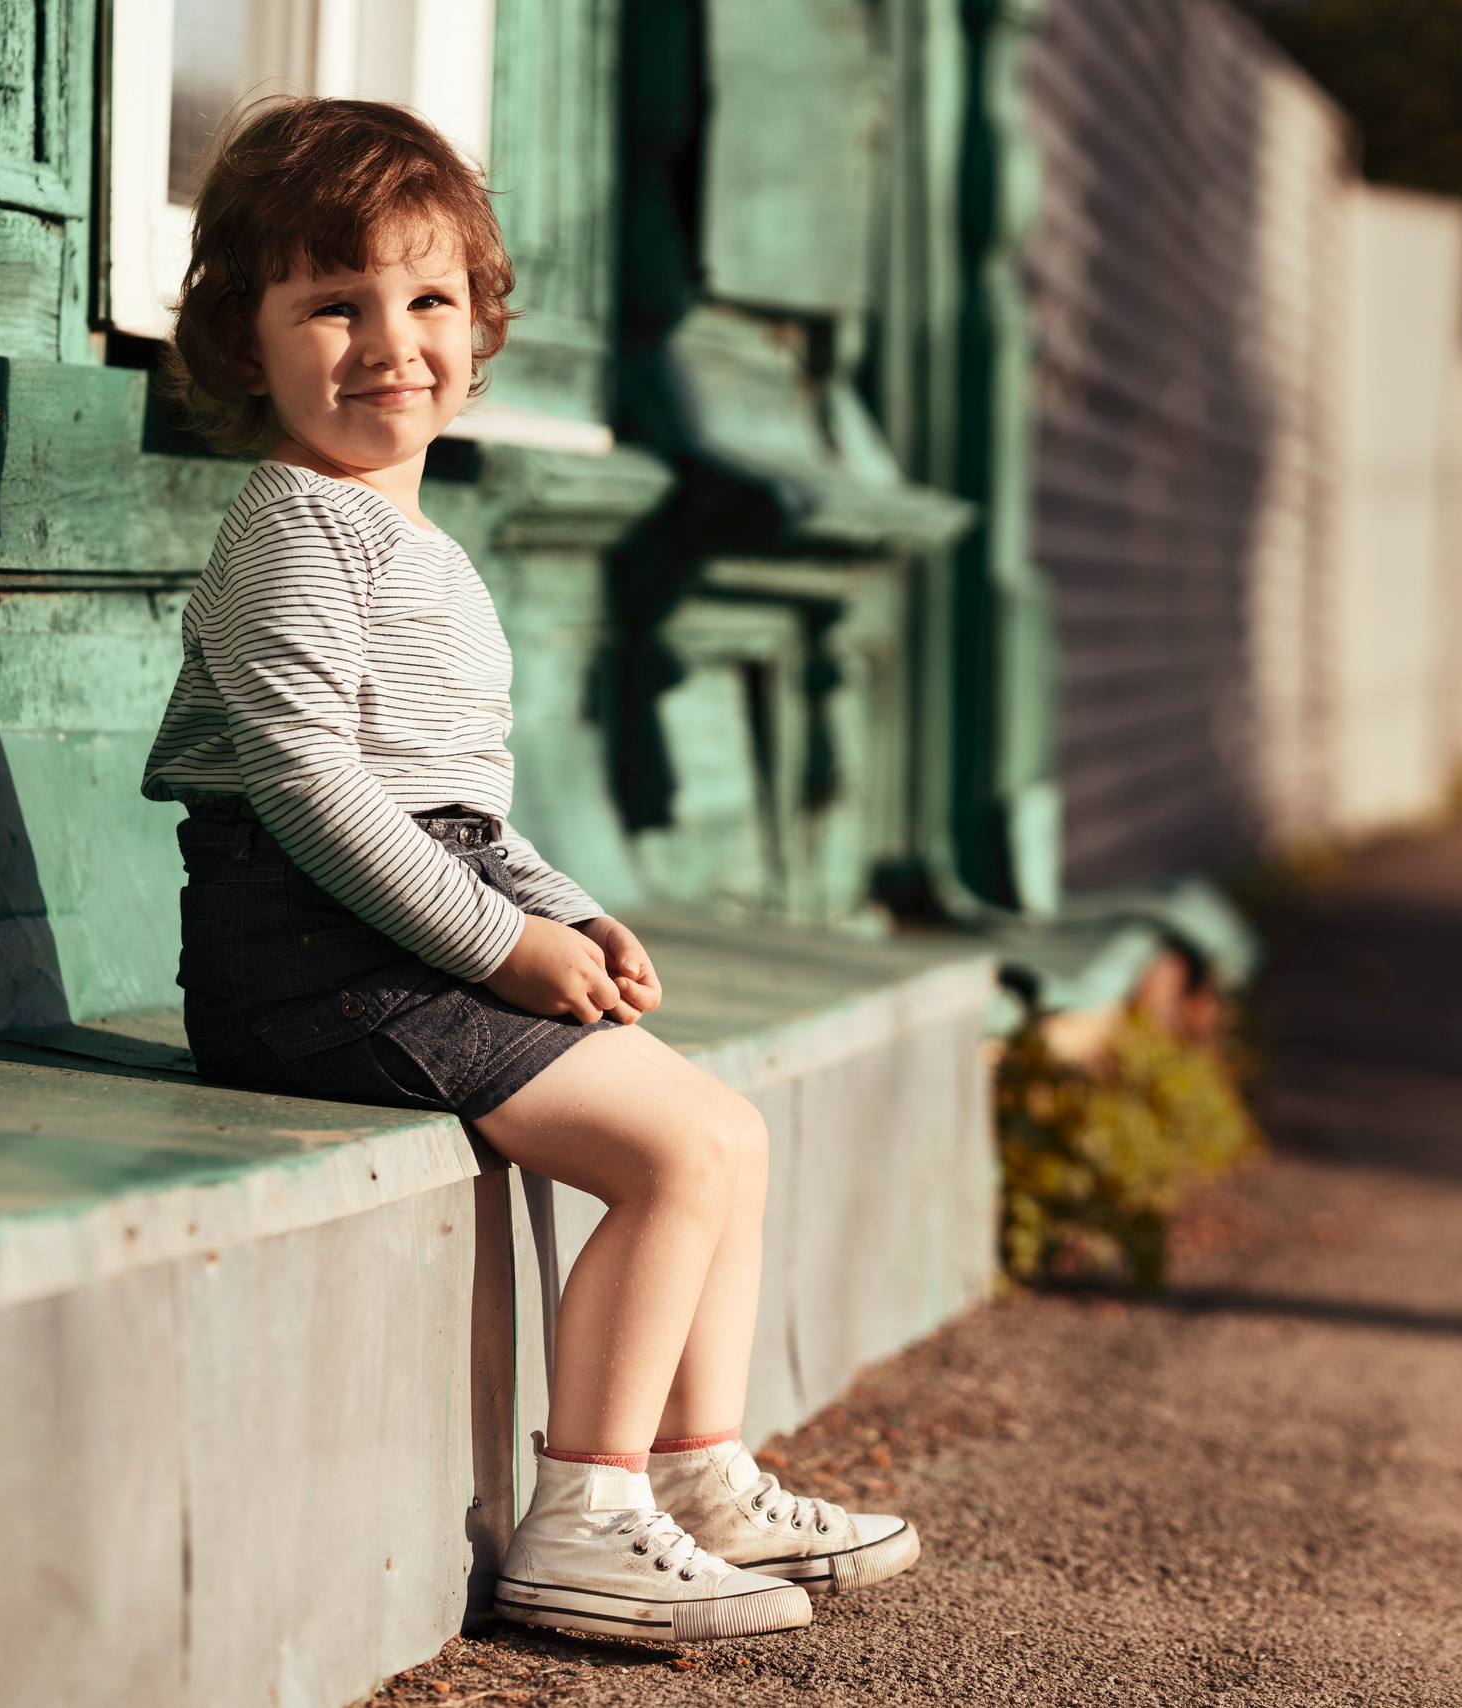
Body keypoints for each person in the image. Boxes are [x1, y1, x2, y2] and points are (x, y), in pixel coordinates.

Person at [139, 96, 918, 1644]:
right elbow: (312, 794)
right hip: (313, 959)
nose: (389, 342)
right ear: (245, 336)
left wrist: (565, 912)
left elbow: (467, 810)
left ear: (479, 329)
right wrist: (502, 951)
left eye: (427, 300)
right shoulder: (290, 532)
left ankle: (699, 1475)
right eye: (333, 305)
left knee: (724, 1131)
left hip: (404, 922)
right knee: (675, 1154)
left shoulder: (418, 545)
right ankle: (588, 1511)